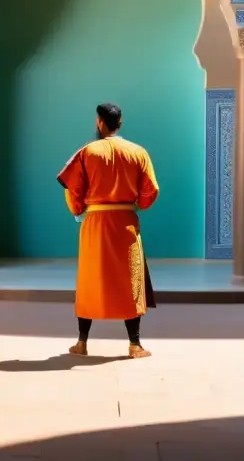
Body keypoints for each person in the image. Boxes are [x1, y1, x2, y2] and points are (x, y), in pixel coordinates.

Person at [57, 102, 159, 359]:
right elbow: (150, 192)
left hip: (96, 224)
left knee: (90, 279)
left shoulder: (87, 152)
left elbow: (72, 189)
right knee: (130, 281)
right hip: (126, 224)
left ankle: (82, 343)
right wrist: (135, 204)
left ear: (99, 122)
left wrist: (79, 209)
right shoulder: (139, 152)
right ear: (119, 123)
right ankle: (135, 345)